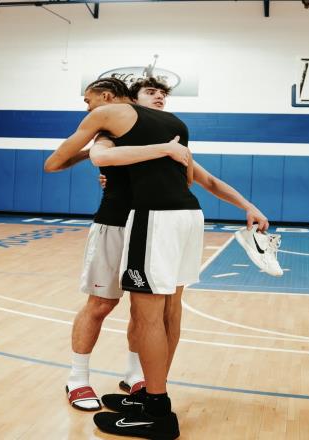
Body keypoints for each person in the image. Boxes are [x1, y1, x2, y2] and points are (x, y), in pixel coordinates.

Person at [45, 77, 190, 411]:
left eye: (88, 100)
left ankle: (134, 373)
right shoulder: (107, 130)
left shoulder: (166, 130)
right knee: (101, 304)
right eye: (151, 93)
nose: (87, 107)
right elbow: (55, 163)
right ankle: (78, 378)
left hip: (154, 225)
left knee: (144, 309)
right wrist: (95, 153)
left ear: (107, 96)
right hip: (115, 223)